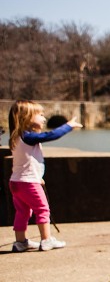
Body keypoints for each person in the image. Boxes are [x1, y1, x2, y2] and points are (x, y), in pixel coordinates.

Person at [8, 100, 82, 252]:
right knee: (42, 210)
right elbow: (51, 135)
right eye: (40, 115)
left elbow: (25, 162)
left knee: (22, 212)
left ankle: (20, 242)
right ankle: (46, 240)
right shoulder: (29, 137)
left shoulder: (16, 137)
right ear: (26, 118)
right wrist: (68, 126)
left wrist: (37, 176)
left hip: (16, 182)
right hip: (28, 182)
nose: (44, 118)